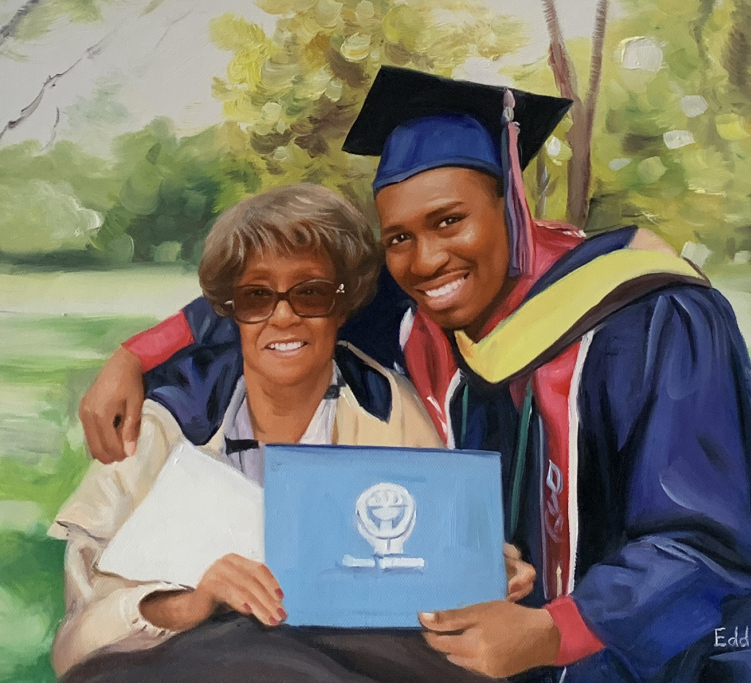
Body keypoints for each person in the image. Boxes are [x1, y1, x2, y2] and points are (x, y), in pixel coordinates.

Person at [77, 67, 751, 683]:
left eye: (450, 221)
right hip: (495, 635)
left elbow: (705, 543)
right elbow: (272, 300)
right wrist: (134, 354)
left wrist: (551, 630)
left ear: (511, 201)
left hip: (694, 652)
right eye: (399, 237)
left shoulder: (651, 318)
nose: (424, 261)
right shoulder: (417, 308)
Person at [51, 183, 535, 682]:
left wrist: (486, 570)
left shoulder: (389, 411)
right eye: (257, 296)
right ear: (230, 309)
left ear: (343, 306)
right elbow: (73, 648)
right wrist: (190, 602)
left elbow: (429, 557)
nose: (283, 316)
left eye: (311, 293)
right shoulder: (158, 429)